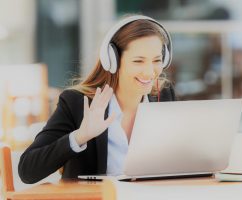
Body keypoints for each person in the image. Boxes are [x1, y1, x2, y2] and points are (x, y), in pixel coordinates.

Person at [18, 15, 176, 184]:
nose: (149, 72)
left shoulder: (164, 96)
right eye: (138, 61)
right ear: (113, 60)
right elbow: (27, 170)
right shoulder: (77, 103)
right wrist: (80, 136)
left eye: (157, 60)